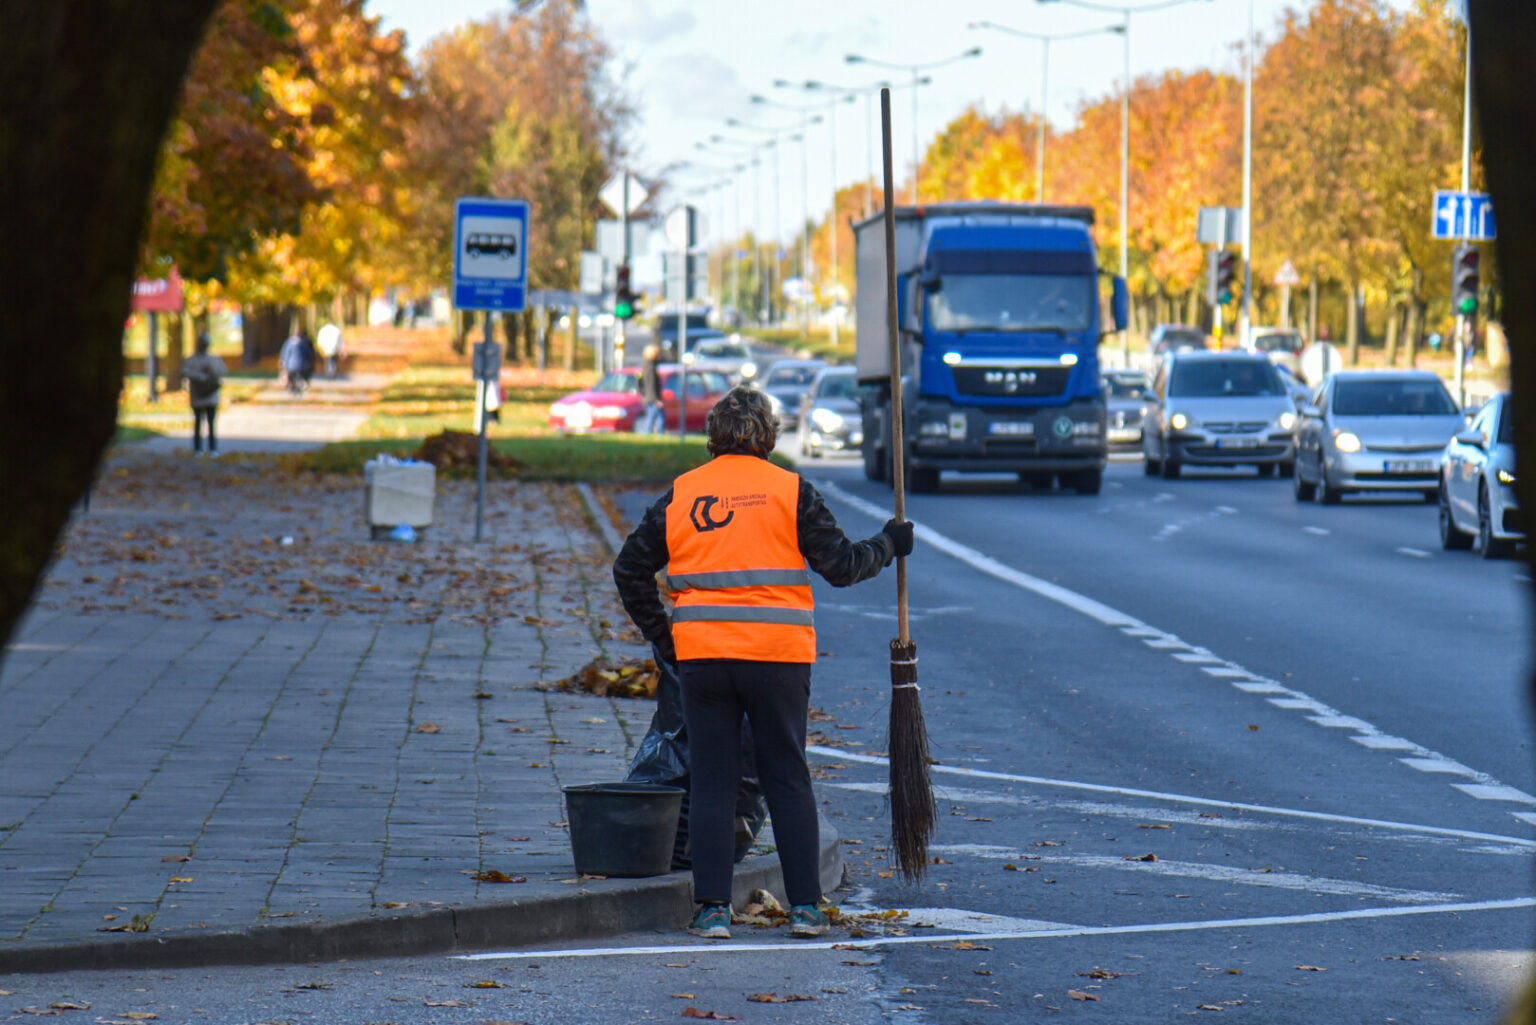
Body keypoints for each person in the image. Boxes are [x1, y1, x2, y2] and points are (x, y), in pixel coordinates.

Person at [612, 386, 914, 940]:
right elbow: (842, 565)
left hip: (704, 660)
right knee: (787, 778)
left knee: (711, 783)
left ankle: (710, 911)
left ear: (713, 436)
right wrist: (890, 544)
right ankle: (804, 909)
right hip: (777, 659)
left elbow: (629, 568)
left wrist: (666, 637)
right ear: (769, 436)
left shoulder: (683, 493)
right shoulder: (790, 491)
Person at [181, 332, 226, 456]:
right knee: (198, 423)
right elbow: (184, 371)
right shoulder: (192, 360)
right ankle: (198, 448)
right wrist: (198, 376)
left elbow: (222, 371)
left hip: (211, 396)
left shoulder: (214, 359)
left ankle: (212, 448)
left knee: (211, 423)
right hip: (198, 396)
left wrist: (210, 372)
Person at [279, 327, 316, 395]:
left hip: (290, 366)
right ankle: (299, 389)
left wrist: (284, 364)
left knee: (293, 378)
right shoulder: (304, 343)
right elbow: (309, 354)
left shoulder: (288, 343)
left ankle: (294, 390)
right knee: (299, 377)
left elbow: (286, 355)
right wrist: (308, 363)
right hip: (301, 365)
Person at [639, 344, 665, 433]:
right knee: (659, 417)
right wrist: (657, 399)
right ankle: (658, 433)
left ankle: (647, 433)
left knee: (651, 416)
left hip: (648, 397)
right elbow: (652, 385)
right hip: (652, 398)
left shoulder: (646, 366)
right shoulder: (650, 368)